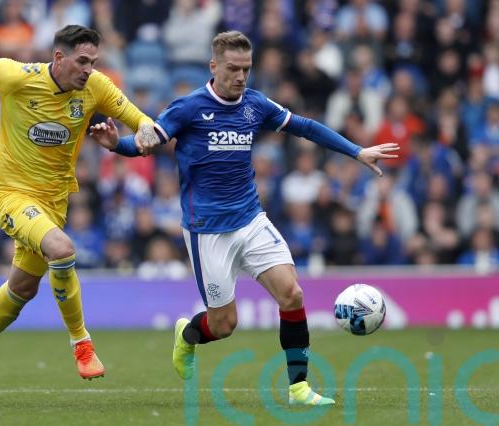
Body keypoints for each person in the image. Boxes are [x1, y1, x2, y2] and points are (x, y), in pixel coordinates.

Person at [90, 31, 399, 405]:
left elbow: (305, 127)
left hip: (251, 219)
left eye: (246, 69)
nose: (240, 77)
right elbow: (146, 143)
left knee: (292, 293)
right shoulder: (188, 108)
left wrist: (356, 151)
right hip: (208, 231)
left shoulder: (255, 104)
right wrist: (117, 145)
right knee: (224, 325)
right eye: (233, 68)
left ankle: (299, 388)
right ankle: (188, 334)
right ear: (214, 66)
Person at [0, 25, 157, 401]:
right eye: (82, 61)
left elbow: (141, 120)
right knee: (62, 249)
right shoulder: (17, 77)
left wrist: (145, 134)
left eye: (93, 62)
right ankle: (81, 343)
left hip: (53, 204)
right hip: (10, 195)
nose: (88, 69)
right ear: (59, 57)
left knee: (23, 288)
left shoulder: (97, 87)